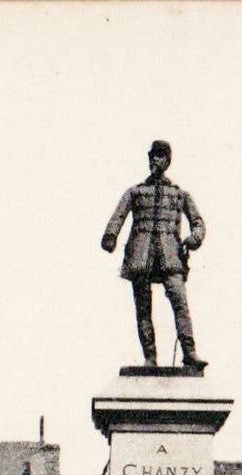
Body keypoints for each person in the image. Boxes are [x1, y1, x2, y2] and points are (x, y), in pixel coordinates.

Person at [101, 140, 206, 370]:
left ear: (168, 161)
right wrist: (110, 236)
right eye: (152, 156)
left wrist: (194, 238)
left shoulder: (180, 195)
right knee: (143, 308)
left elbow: (198, 222)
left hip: (170, 256)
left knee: (180, 303)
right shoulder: (136, 192)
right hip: (141, 255)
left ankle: (190, 353)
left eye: (159, 156)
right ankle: (150, 357)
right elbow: (118, 216)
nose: (154, 160)